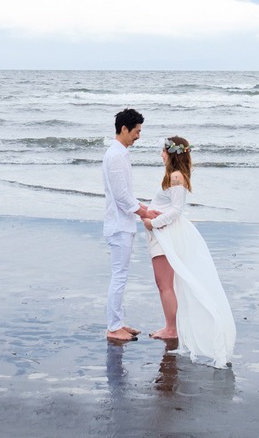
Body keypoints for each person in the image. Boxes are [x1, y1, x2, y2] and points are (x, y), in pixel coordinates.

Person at [143, 136, 236, 368]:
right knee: (164, 284)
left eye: (163, 151)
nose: (161, 154)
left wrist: (152, 223)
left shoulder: (176, 177)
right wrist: (145, 212)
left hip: (165, 234)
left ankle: (171, 329)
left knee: (164, 284)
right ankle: (171, 326)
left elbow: (175, 210)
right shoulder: (172, 176)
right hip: (161, 233)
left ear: (172, 153)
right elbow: (166, 207)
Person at [103, 108, 159, 343]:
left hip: (122, 223)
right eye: (136, 131)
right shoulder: (116, 156)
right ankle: (113, 327)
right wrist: (146, 212)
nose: (138, 136)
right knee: (119, 276)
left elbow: (126, 195)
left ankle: (118, 322)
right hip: (119, 225)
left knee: (121, 276)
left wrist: (145, 209)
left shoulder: (120, 154)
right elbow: (122, 197)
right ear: (124, 129)